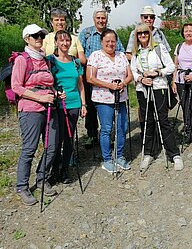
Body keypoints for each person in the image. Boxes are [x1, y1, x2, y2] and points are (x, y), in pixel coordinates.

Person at [12, 24, 58, 205]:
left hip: (49, 107)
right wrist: (40, 97)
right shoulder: (22, 60)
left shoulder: (45, 60)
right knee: (29, 149)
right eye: (35, 35)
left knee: (52, 146)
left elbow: (48, 83)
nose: (39, 38)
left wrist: (54, 93)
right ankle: (22, 186)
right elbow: (17, 87)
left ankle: (41, 179)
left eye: (41, 35)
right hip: (30, 110)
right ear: (27, 39)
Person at [130, 23, 183, 171]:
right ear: (137, 36)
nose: (143, 36)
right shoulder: (136, 52)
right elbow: (133, 70)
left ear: (149, 34)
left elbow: (171, 66)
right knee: (148, 121)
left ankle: (174, 154)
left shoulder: (159, 48)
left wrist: (157, 73)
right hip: (143, 90)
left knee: (163, 120)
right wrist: (141, 79)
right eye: (140, 34)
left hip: (159, 88)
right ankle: (148, 153)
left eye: (145, 33)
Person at [86, 29, 132, 173]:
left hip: (121, 97)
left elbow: (129, 75)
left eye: (113, 41)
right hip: (103, 98)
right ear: (102, 42)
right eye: (107, 41)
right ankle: (106, 159)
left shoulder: (121, 56)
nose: (110, 44)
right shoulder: (95, 56)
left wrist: (123, 83)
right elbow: (90, 78)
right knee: (106, 128)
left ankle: (119, 156)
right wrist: (109, 85)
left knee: (122, 127)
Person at [78, 8, 125, 149]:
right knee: (91, 106)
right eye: (98, 18)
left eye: (103, 18)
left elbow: (121, 51)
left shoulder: (111, 35)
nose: (101, 20)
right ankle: (92, 134)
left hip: (109, 77)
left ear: (106, 19)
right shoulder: (85, 33)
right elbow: (78, 51)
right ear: (94, 19)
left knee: (109, 106)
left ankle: (109, 133)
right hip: (90, 75)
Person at [48, 30, 87, 184]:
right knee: (56, 140)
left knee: (69, 138)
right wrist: (55, 92)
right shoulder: (51, 60)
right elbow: (46, 81)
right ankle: (54, 171)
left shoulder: (75, 62)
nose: (64, 43)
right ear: (56, 43)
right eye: (61, 40)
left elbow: (80, 84)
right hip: (57, 104)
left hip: (74, 103)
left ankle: (65, 170)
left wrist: (84, 104)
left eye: (67, 40)